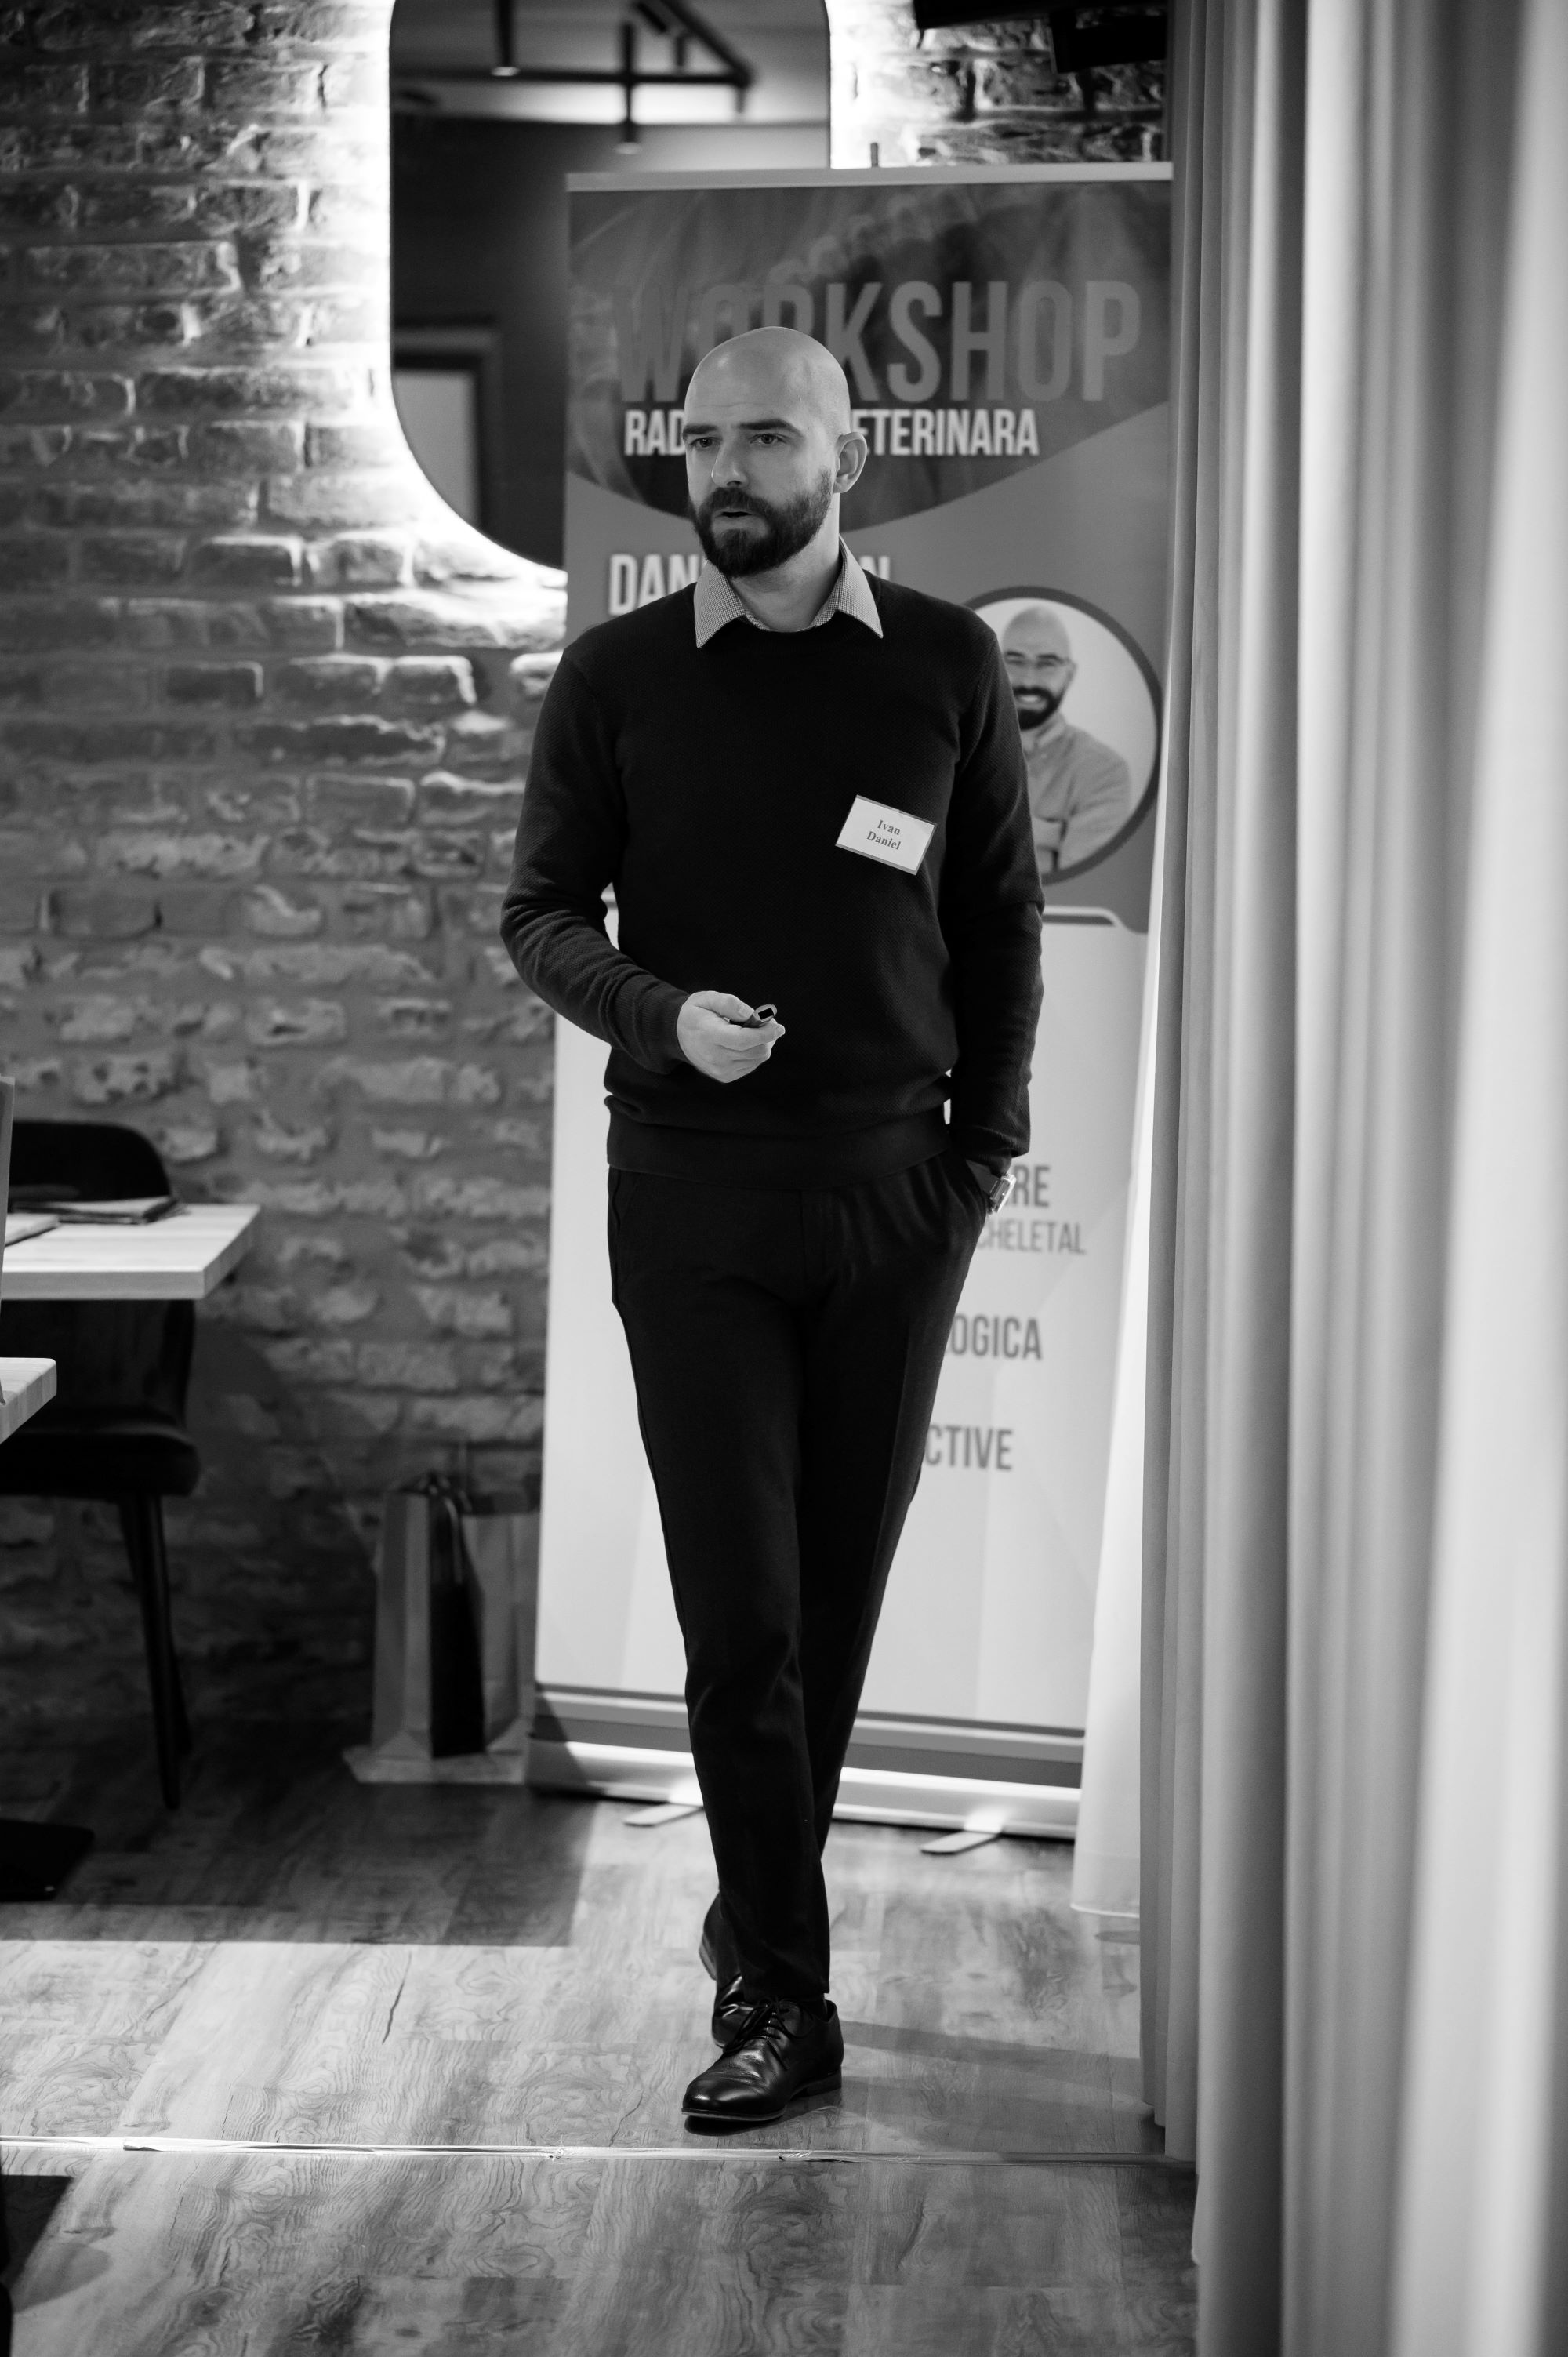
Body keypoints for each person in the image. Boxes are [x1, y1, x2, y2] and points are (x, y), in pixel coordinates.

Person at [501, 326, 1043, 2127]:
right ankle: (782, 1996)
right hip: (691, 1196)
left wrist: (978, 1159)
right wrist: (661, 1017)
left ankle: (755, 1922)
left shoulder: (949, 664)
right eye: (699, 440)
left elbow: (999, 924)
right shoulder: (616, 674)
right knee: (741, 1614)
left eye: (763, 438)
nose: (723, 469)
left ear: (843, 457)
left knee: (833, 1596)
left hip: (895, 1194)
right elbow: (539, 915)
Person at [1000, 604, 1130, 878]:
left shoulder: (1104, 771)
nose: (1029, 679)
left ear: (1069, 674)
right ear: (993, 667)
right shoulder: (952, 751)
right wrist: (1050, 836)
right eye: (1015, 660)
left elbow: (1081, 884)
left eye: (1047, 663)